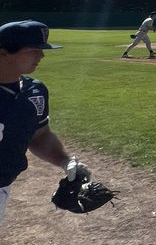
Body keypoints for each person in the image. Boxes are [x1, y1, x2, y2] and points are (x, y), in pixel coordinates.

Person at [1, 21, 97, 230]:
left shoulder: (35, 91)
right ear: (4, 52)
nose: (41, 56)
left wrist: (65, 161)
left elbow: (39, 135)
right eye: (34, 50)